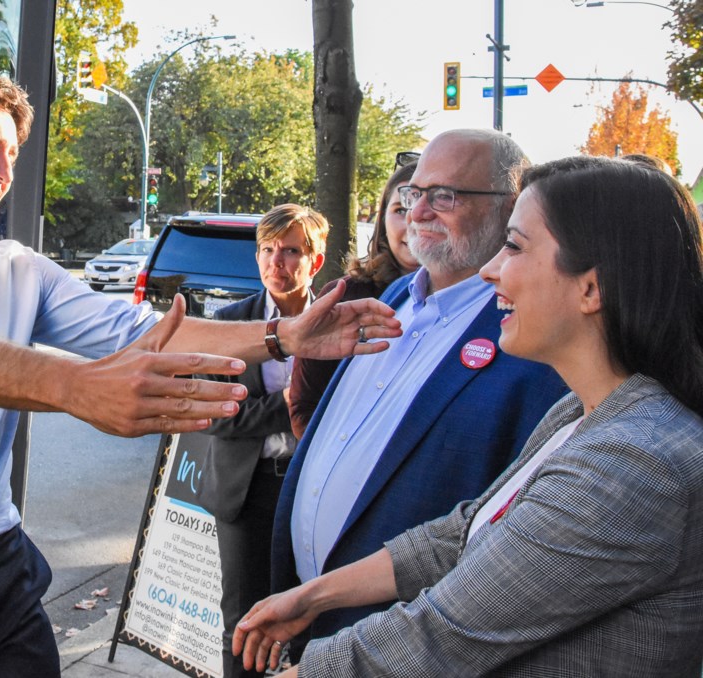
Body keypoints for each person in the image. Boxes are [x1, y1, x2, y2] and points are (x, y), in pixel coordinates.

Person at [0, 73, 401, 677]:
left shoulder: (22, 271)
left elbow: (135, 330)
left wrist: (281, 338)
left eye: (12, 154)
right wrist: (75, 387)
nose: (2, 170)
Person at [234, 155, 703, 677]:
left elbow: (443, 635)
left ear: (591, 288)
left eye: (515, 246)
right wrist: (315, 596)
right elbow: (465, 532)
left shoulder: (635, 462)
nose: (491, 269)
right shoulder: (581, 412)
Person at [270, 129, 568, 645]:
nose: (418, 213)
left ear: (510, 207)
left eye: (444, 196)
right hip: (310, 618)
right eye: (413, 195)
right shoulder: (393, 298)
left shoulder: (532, 342)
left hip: (403, 642)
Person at [194, 204, 328, 678]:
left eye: (291, 251)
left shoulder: (335, 323)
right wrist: (292, 401)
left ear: (315, 258)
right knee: (246, 625)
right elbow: (215, 416)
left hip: (317, 490)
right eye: (267, 250)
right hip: (247, 494)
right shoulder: (231, 324)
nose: (277, 262)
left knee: (314, 619)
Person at [287, 158, 420, 439]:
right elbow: (304, 409)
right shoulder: (345, 295)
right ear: (382, 219)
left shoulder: (476, 302)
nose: (414, 221)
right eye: (400, 209)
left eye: (425, 208)